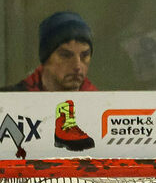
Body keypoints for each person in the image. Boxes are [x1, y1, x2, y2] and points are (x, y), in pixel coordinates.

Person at [2, 11, 97, 151]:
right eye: (65, 55)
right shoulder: (8, 102)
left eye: (85, 55)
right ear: (46, 58)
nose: (77, 66)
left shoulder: (99, 105)